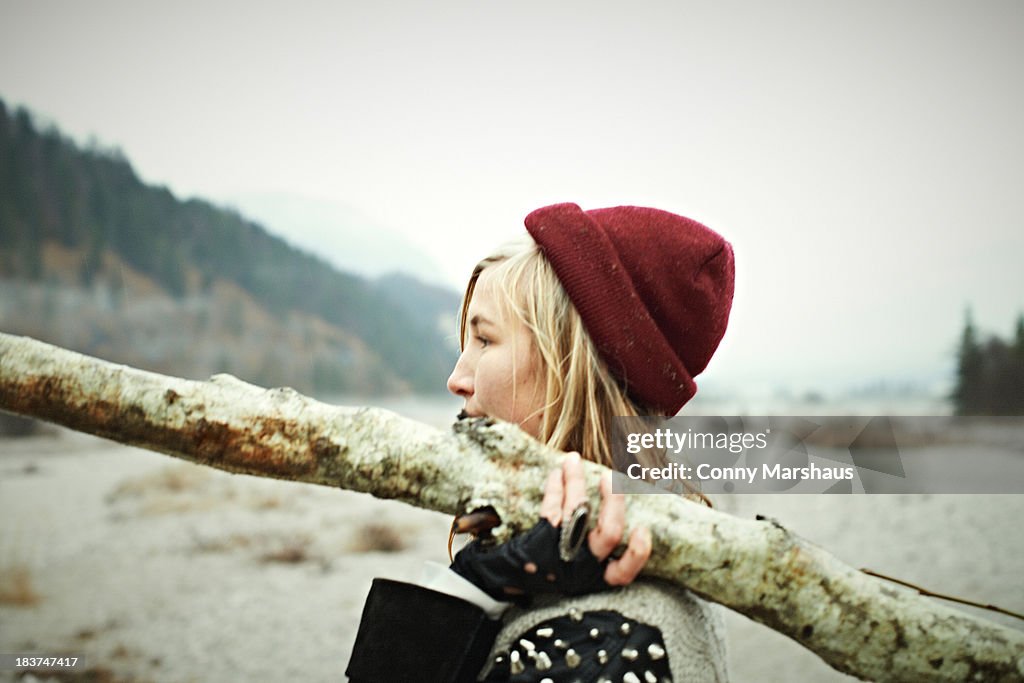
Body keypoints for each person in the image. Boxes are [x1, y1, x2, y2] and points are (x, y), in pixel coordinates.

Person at [346, 202, 735, 682]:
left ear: (570, 371)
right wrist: (478, 582)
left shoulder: (605, 644)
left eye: (485, 340)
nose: (457, 378)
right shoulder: (547, 574)